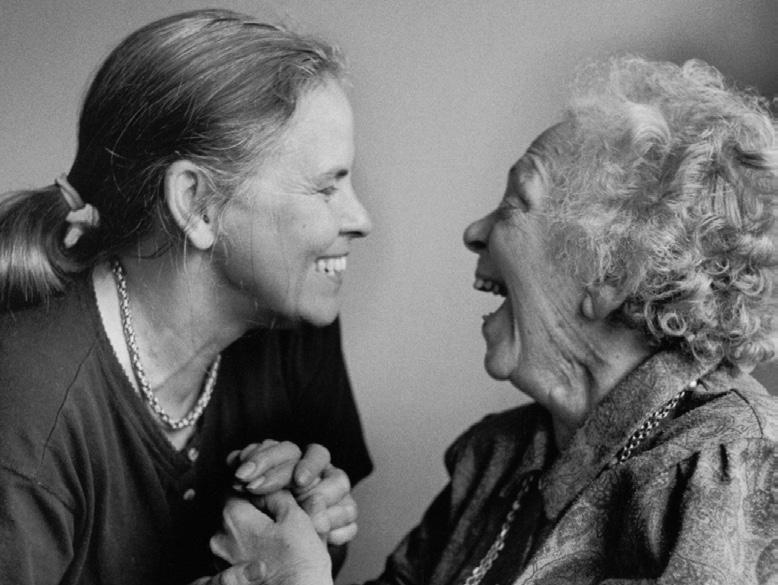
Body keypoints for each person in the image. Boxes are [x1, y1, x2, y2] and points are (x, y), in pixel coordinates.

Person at [215, 56, 778, 584]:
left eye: (514, 204)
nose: (474, 232)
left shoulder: (733, 467)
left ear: (609, 272)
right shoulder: (500, 457)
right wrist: (297, 533)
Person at [0, 9, 374, 585]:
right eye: (327, 186)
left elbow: (303, 562)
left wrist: (303, 530)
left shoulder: (295, 325)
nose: (361, 219)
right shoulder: (28, 416)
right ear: (197, 204)